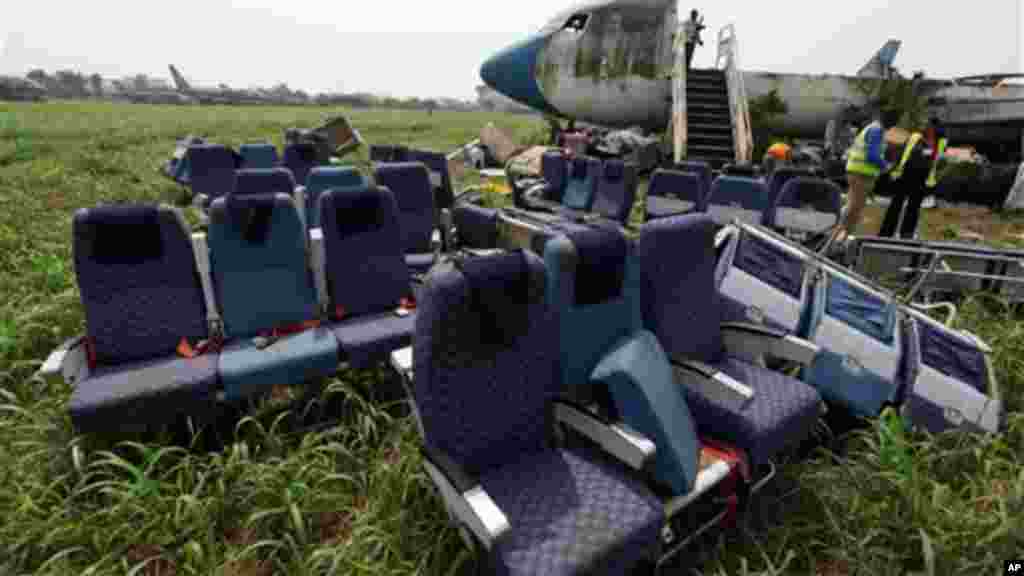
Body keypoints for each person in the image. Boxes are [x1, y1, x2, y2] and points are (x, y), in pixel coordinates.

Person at [828, 107, 902, 246]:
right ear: (886, 119)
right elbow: (872, 156)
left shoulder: (874, 128)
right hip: (861, 174)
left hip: (858, 172)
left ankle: (838, 237)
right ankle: (838, 240)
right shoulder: (876, 131)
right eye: (893, 122)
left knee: (852, 206)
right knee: (855, 208)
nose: (893, 125)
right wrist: (886, 166)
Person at [878, 127, 931, 238]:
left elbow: (899, 157)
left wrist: (893, 171)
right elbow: (928, 163)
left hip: (903, 177)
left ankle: (886, 232)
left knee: (895, 205)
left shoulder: (909, 140)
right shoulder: (926, 145)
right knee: (912, 208)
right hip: (918, 180)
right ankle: (907, 233)